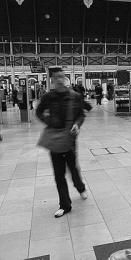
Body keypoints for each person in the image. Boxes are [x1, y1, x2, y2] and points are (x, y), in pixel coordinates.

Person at [36, 68, 87, 218]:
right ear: (51, 80)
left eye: (61, 77)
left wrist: (77, 124)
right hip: (54, 139)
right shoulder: (48, 97)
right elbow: (39, 112)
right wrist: (48, 121)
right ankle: (65, 205)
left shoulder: (74, 96)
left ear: (65, 79)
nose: (59, 79)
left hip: (70, 139)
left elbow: (81, 115)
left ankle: (80, 187)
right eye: (56, 77)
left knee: (73, 168)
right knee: (59, 174)